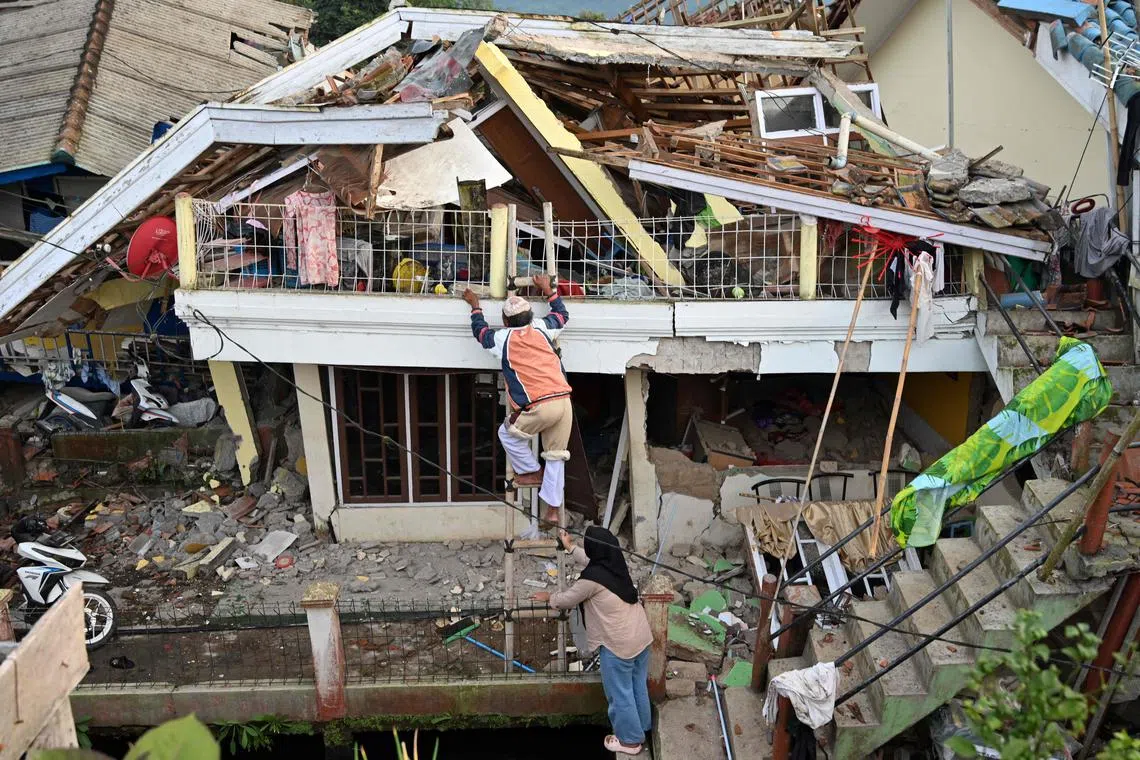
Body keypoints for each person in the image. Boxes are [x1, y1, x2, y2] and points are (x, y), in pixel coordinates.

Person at [533, 526, 652, 756]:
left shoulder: (590, 581)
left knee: (620, 693)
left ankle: (630, 741)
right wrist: (570, 547)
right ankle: (642, 727)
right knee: (637, 685)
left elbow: (568, 599)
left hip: (618, 645)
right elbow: (591, 560)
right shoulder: (616, 564)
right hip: (641, 637)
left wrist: (549, 597)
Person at [463, 275, 572, 526]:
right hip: (563, 400)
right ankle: (553, 511)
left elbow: (481, 333)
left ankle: (530, 470)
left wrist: (475, 306)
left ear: (505, 321)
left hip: (539, 405)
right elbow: (562, 315)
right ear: (531, 316)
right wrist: (548, 290)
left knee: (507, 433)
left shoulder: (504, 338)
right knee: (556, 455)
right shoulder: (543, 328)